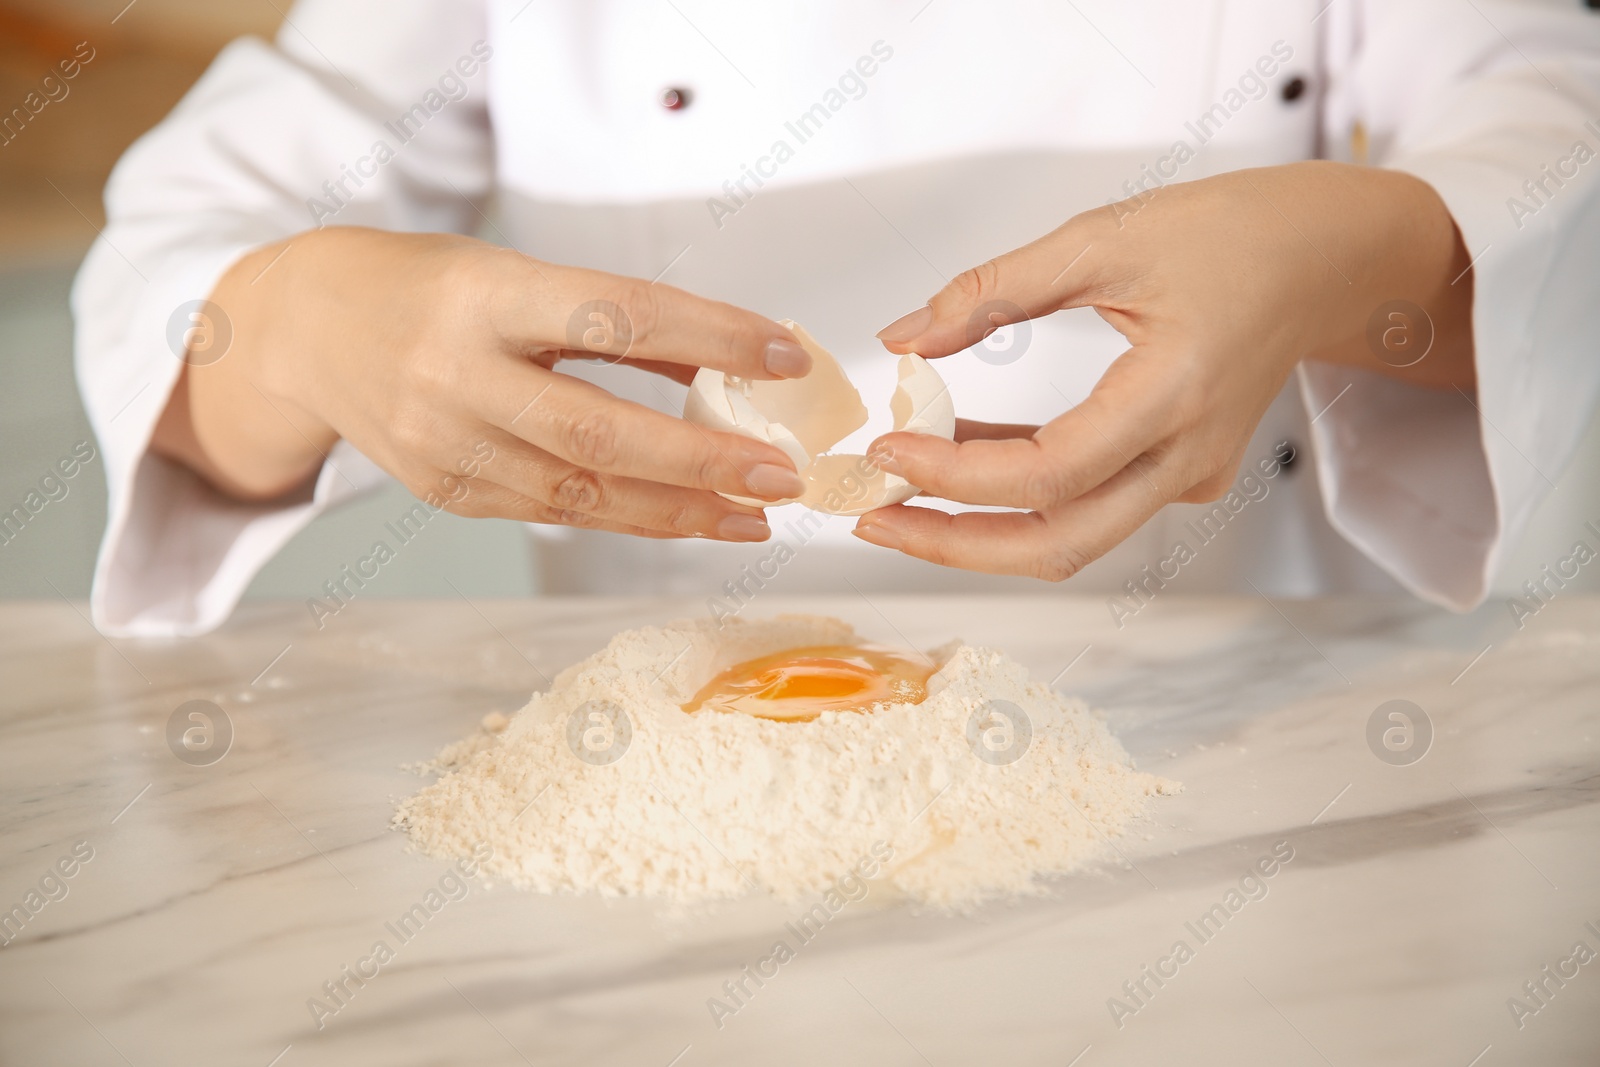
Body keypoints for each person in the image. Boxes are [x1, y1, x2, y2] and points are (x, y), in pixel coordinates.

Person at [74, 0, 1600, 637]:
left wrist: (1343, 254)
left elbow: (1549, 130)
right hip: (684, 749)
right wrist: (298, 321)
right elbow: (186, 264)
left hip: (1234, 731)